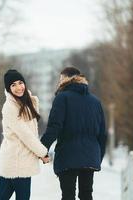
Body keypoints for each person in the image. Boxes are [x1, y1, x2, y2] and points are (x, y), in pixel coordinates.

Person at [41, 66, 107, 200]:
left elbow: (54, 126)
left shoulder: (62, 98)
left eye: (61, 79)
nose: (59, 82)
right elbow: (102, 133)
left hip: (68, 154)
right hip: (90, 155)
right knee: (86, 194)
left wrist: (42, 149)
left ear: (68, 79)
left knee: (68, 196)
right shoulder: (95, 101)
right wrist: (98, 156)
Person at [0, 69, 49, 200]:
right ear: (8, 89)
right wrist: (42, 153)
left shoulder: (27, 102)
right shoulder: (10, 107)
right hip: (17, 161)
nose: (19, 87)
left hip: (19, 160)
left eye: (20, 82)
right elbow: (26, 135)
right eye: (13, 85)